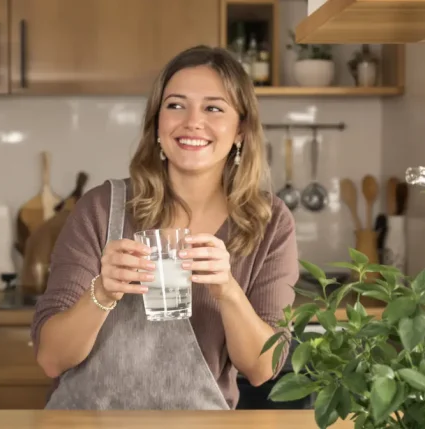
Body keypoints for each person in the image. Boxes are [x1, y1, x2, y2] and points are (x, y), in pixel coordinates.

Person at [30, 45, 299, 410]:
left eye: (213, 108)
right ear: (157, 125)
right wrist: (103, 292)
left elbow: (262, 368)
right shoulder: (102, 208)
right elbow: (51, 358)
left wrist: (227, 290)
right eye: (175, 105)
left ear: (241, 130)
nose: (192, 121)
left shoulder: (269, 222)